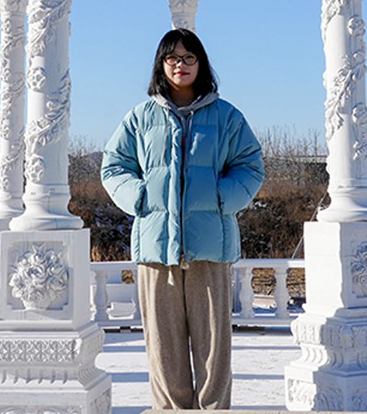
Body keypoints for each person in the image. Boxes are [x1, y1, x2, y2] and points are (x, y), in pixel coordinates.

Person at [101, 28, 264, 410]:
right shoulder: (140, 117)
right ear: (161, 65)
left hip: (210, 246)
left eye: (189, 57)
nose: (181, 65)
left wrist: (223, 198)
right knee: (163, 348)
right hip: (157, 249)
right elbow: (114, 166)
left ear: (201, 63)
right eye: (172, 58)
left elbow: (251, 166)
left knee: (213, 351)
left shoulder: (226, 116)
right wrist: (139, 197)